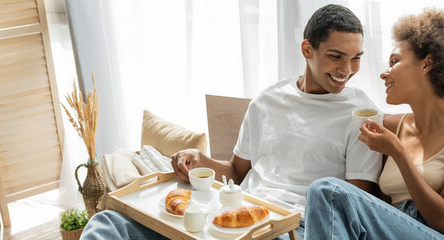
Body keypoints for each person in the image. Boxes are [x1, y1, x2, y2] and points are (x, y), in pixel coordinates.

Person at [81, 4, 384, 240]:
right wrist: (201, 160)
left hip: (293, 227)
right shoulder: (267, 101)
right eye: (336, 56)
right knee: (108, 223)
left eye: (356, 58)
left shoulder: (361, 115)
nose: (347, 69)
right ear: (307, 49)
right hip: (231, 213)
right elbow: (237, 173)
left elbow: (349, 205)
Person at [304, 8, 444, 240]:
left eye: (394, 61)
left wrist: (398, 153)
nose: (384, 73)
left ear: (426, 65)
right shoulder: (390, 127)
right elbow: (374, 210)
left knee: (327, 190)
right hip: (395, 228)